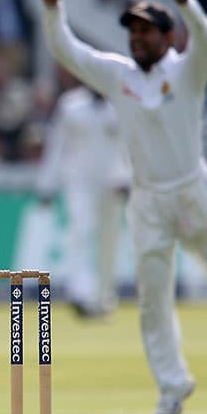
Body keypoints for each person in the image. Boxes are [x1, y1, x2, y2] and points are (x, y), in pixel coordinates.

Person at [38, 0, 207, 414]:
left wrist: (187, 3)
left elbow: (206, 40)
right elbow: (68, 51)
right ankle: (171, 385)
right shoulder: (118, 75)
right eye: (132, 31)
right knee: (153, 297)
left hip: (192, 191)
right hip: (148, 201)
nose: (137, 38)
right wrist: (53, 10)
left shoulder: (188, 70)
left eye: (146, 30)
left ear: (168, 37)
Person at [36, 76, 131, 318]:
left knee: (109, 239)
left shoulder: (122, 105)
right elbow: (57, 144)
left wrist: (129, 178)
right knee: (81, 230)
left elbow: (129, 146)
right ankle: (79, 293)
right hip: (78, 181)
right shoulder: (71, 105)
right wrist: (47, 184)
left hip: (112, 182)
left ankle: (104, 297)